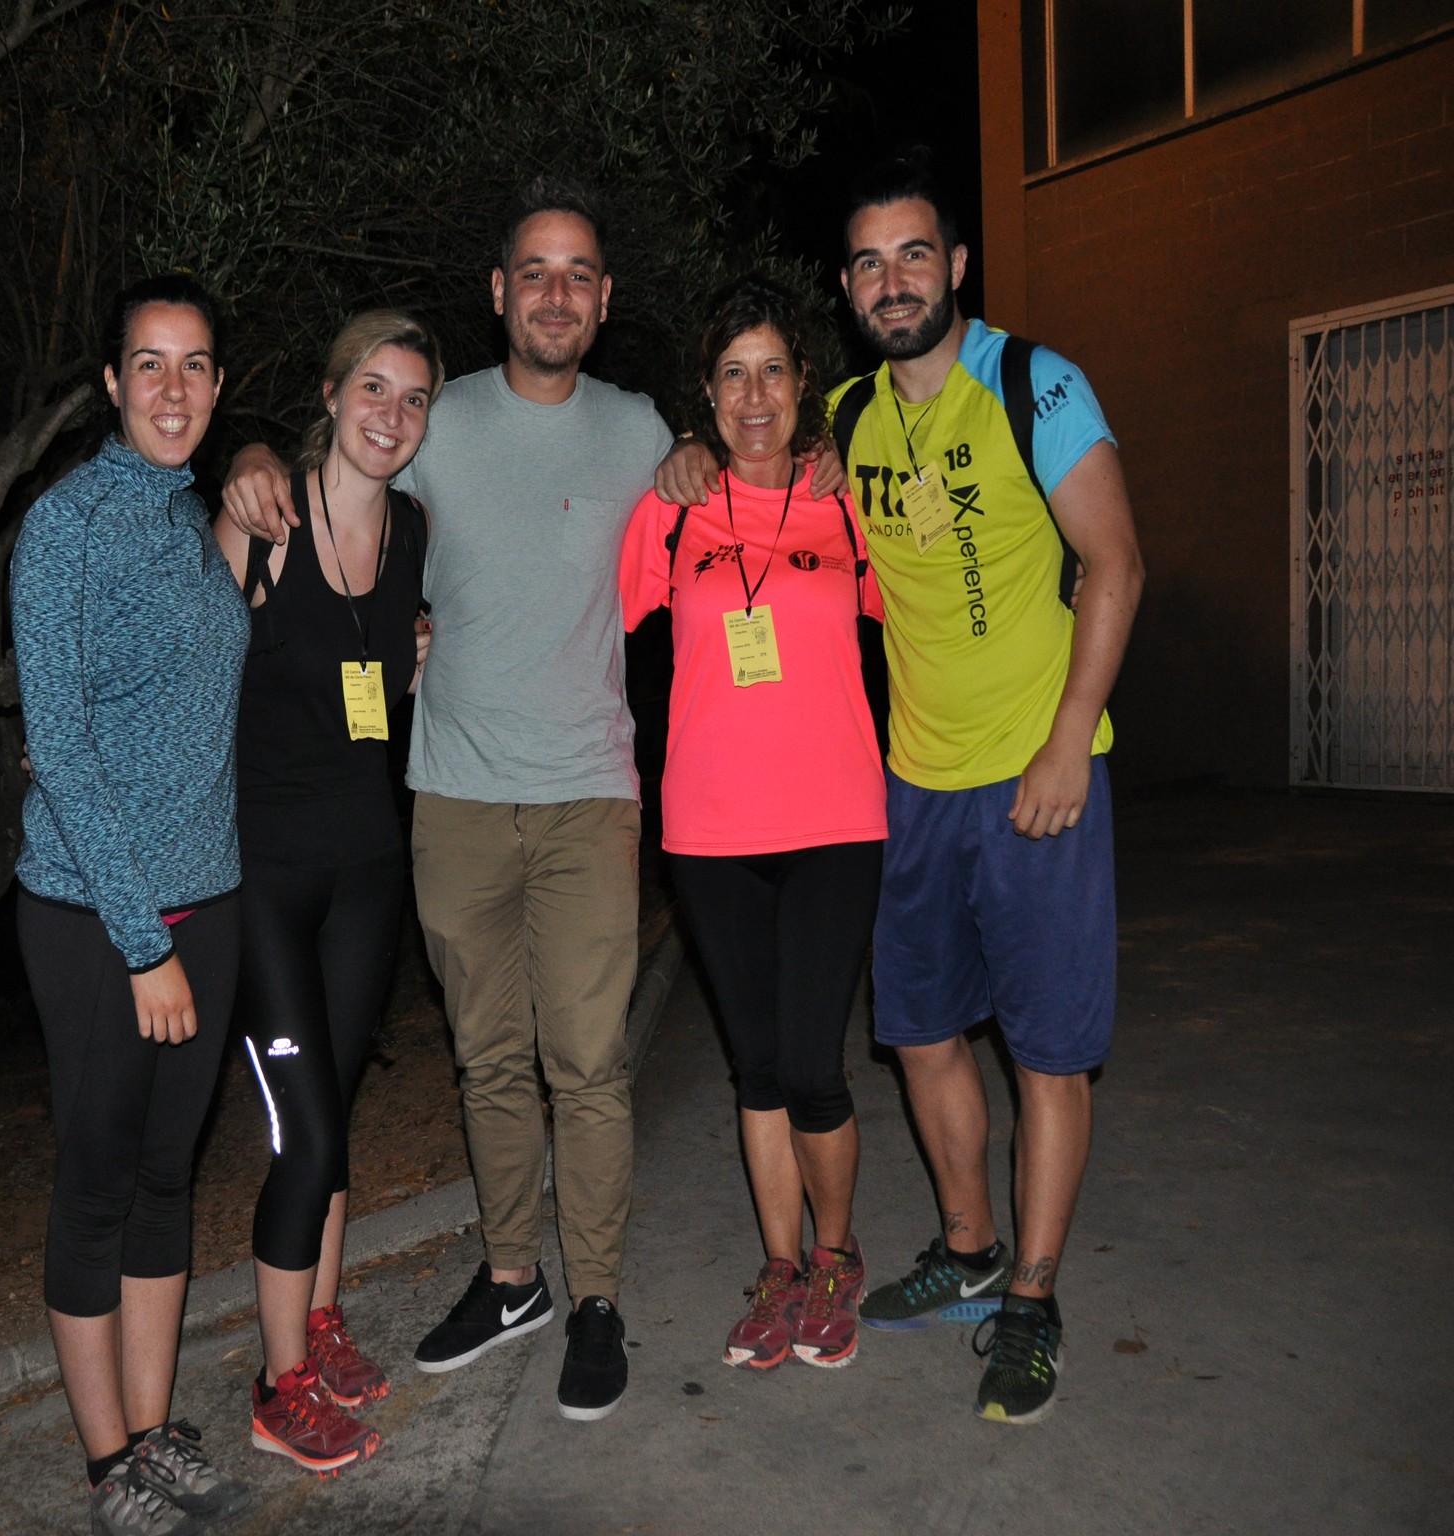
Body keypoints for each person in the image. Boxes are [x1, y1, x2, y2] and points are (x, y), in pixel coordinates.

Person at [656, 147, 1145, 1426]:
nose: (892, 281)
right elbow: (757, 476)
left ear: (956, 264)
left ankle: (1030, 1298)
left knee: (1044, 1051)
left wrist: (1067, 738)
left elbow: (1114, 563)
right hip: (910, 785)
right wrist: (686, 458)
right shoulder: (847, 423)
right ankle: (968, 1250)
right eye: (868, 263)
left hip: (1036, 775)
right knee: (919, 1034)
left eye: (913, 254)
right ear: (846, 286)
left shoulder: (1035, 384)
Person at [224, 177, 677, 1423]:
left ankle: (595, 1301)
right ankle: (512, 1278)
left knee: (585, 1062)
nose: (554, 294)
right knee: (486, 1060)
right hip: (453, 797)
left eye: (577, 274)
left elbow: (726, 494)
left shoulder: (640, 431)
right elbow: (339, 471)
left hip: (586, 793)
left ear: (603, 300)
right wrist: (250, 455)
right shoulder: (437, 420)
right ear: (497, 292)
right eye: (533, 271)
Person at [12, 274, 252, 1536]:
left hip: (208, 903)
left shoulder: (187, 518)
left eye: (195, 364)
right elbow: (59, 747)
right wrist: (143, 942)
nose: (172, 388)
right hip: (97, 921)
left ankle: (154, 1436)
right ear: (111, 383)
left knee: (167, 1178)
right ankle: (109, 1466)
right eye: (148, 364)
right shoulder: (65, 527)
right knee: (99, 1183)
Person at [620, 277, 886, 1377]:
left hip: (834, 821)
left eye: (772, 369)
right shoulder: (671, 510)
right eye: (732, 374)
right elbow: (594, 632)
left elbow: (919, 622)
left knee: (813, 1063)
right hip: (710, 829)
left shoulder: (847, 504)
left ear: (802, 383)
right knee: (756, 1067)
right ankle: (779, 1269)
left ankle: (835, 1256)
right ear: (707, 394)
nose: (755, 394)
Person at [212, 311, 442, 1475]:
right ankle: (277, 1384)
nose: (390, 415)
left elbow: (384, 681)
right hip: (263, 879)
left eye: (412, 398)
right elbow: (190, 686)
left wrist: (416, 660)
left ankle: (319, 1318)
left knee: (334, 1116)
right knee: (302, 1134)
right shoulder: (262, 519)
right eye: (372, 388)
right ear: (330, 392)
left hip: (366, 873)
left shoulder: (412, 532)